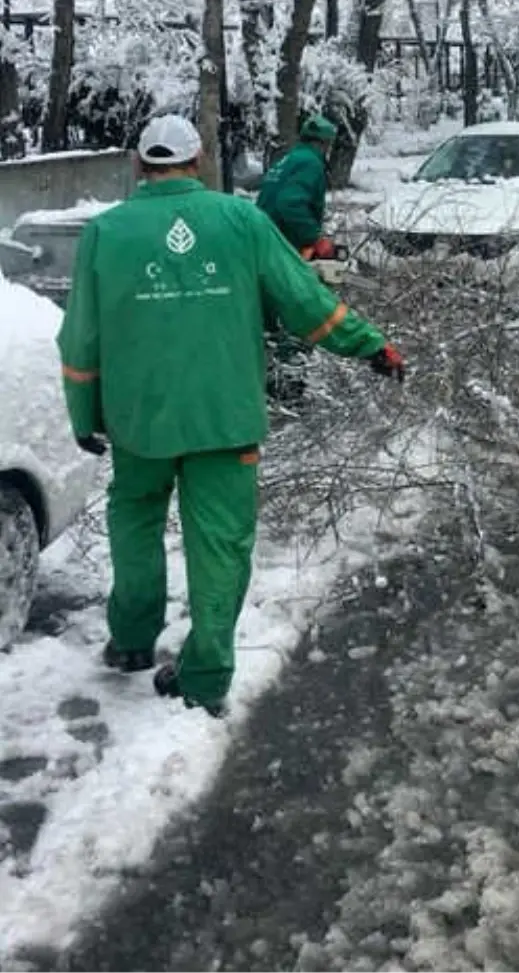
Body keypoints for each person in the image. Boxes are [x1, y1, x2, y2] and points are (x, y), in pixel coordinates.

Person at [57, 115, 405, 719]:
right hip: (226, 417)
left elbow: (80, 338)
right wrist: (371, 344)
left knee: (136, 521)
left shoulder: (105, 233)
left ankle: (133, 640)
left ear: (141, 166)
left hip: (140, 419)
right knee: (220, 543)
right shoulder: (241, 221)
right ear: (199, 164)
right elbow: (305, 301)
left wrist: (83, 415)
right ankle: (206, 674)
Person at [257, 113, 339, 258]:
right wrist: (314, 237)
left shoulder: (288, 159)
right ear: (325, 144)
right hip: (282, 244)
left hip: (264, 238)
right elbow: (289, 203)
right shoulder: (310, 163)